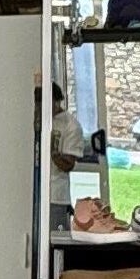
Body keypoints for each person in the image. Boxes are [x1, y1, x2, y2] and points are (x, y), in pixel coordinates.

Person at [46, 83, 87, 230]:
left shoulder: (70, 125)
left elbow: (68, 165)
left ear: (56, 101)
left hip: (56, 195)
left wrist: (51, 151)